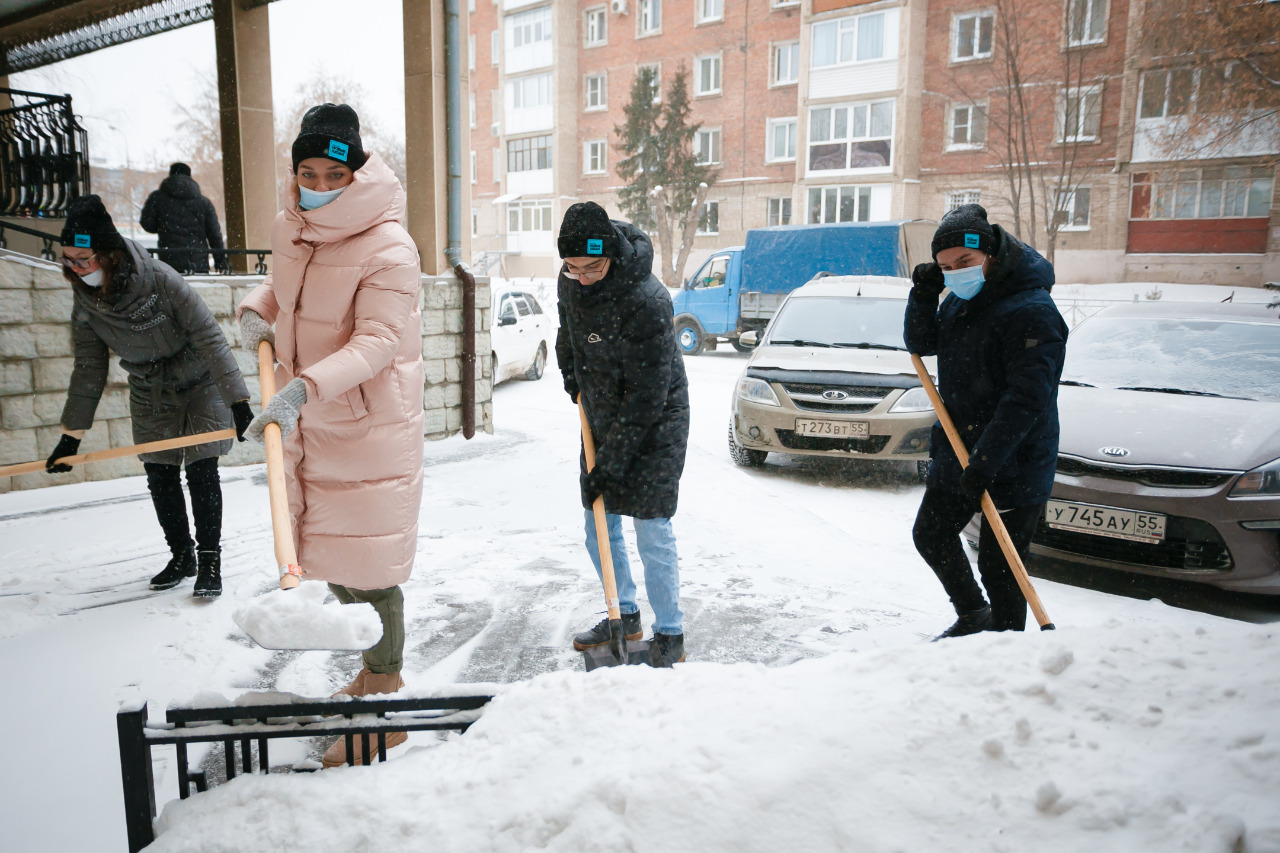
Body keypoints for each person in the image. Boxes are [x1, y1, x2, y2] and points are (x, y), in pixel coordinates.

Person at [236, 104, 424, 767]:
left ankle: (389, 701)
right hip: (313, 419)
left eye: (332, 172)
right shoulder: (299, 227)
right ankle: (376, 676)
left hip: (366, 426)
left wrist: (300, 387)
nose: (317, 181)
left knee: (370, 573)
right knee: (334, 559)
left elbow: (376, 342)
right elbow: (290, 287)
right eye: (307, 171)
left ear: (357, 171)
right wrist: (260, 308)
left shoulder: (389, 246)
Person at [47, 194, 255, 597]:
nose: (75, 269)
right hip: (149, 386)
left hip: (199, 379)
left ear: (109, 256)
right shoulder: (86, 302)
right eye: (68, 260)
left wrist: (239, 403)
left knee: (201, 469)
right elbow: (89, 368)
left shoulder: (160, 279)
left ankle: (210, 560)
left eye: (83, 260)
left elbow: (210, 338)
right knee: (160, 474)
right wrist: (71, 435)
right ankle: (182, 555)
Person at [903, 204, 1068, 639]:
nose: (956, 272)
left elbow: (1027, 398)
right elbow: (921, 344)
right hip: (959, 446)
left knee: (1001, 565)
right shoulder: (960, 301)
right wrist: (922, 297)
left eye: (965, 262)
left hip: (1014, 456)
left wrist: (986, 460)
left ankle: (1006, 644)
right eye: (945, 267)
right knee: (932, 534)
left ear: (990, 254)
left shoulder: (1032, 310)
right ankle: (975, 615)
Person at [554, 201, 691, 668]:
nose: (584, 277)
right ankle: (624, 613)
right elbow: (567, 329)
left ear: (611, 255)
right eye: (573, 268)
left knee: (651, 527)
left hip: (656, 420)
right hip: (601, 411)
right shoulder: (570, 279)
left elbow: (646, 398)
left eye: (593, 267)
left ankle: (670, 632)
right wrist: (570, 370)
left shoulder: (648, 299)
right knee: (599, 523)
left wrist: (610, 464)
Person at [140, 162, 227, 274]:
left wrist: (164, 226)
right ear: (190, 177)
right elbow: (215, 236)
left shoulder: (157, 198)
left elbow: (147, 224)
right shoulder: (204, 203)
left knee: (171, 291)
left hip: (169, 263)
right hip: (198, 263)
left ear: (170, 175)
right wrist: (220, 261)